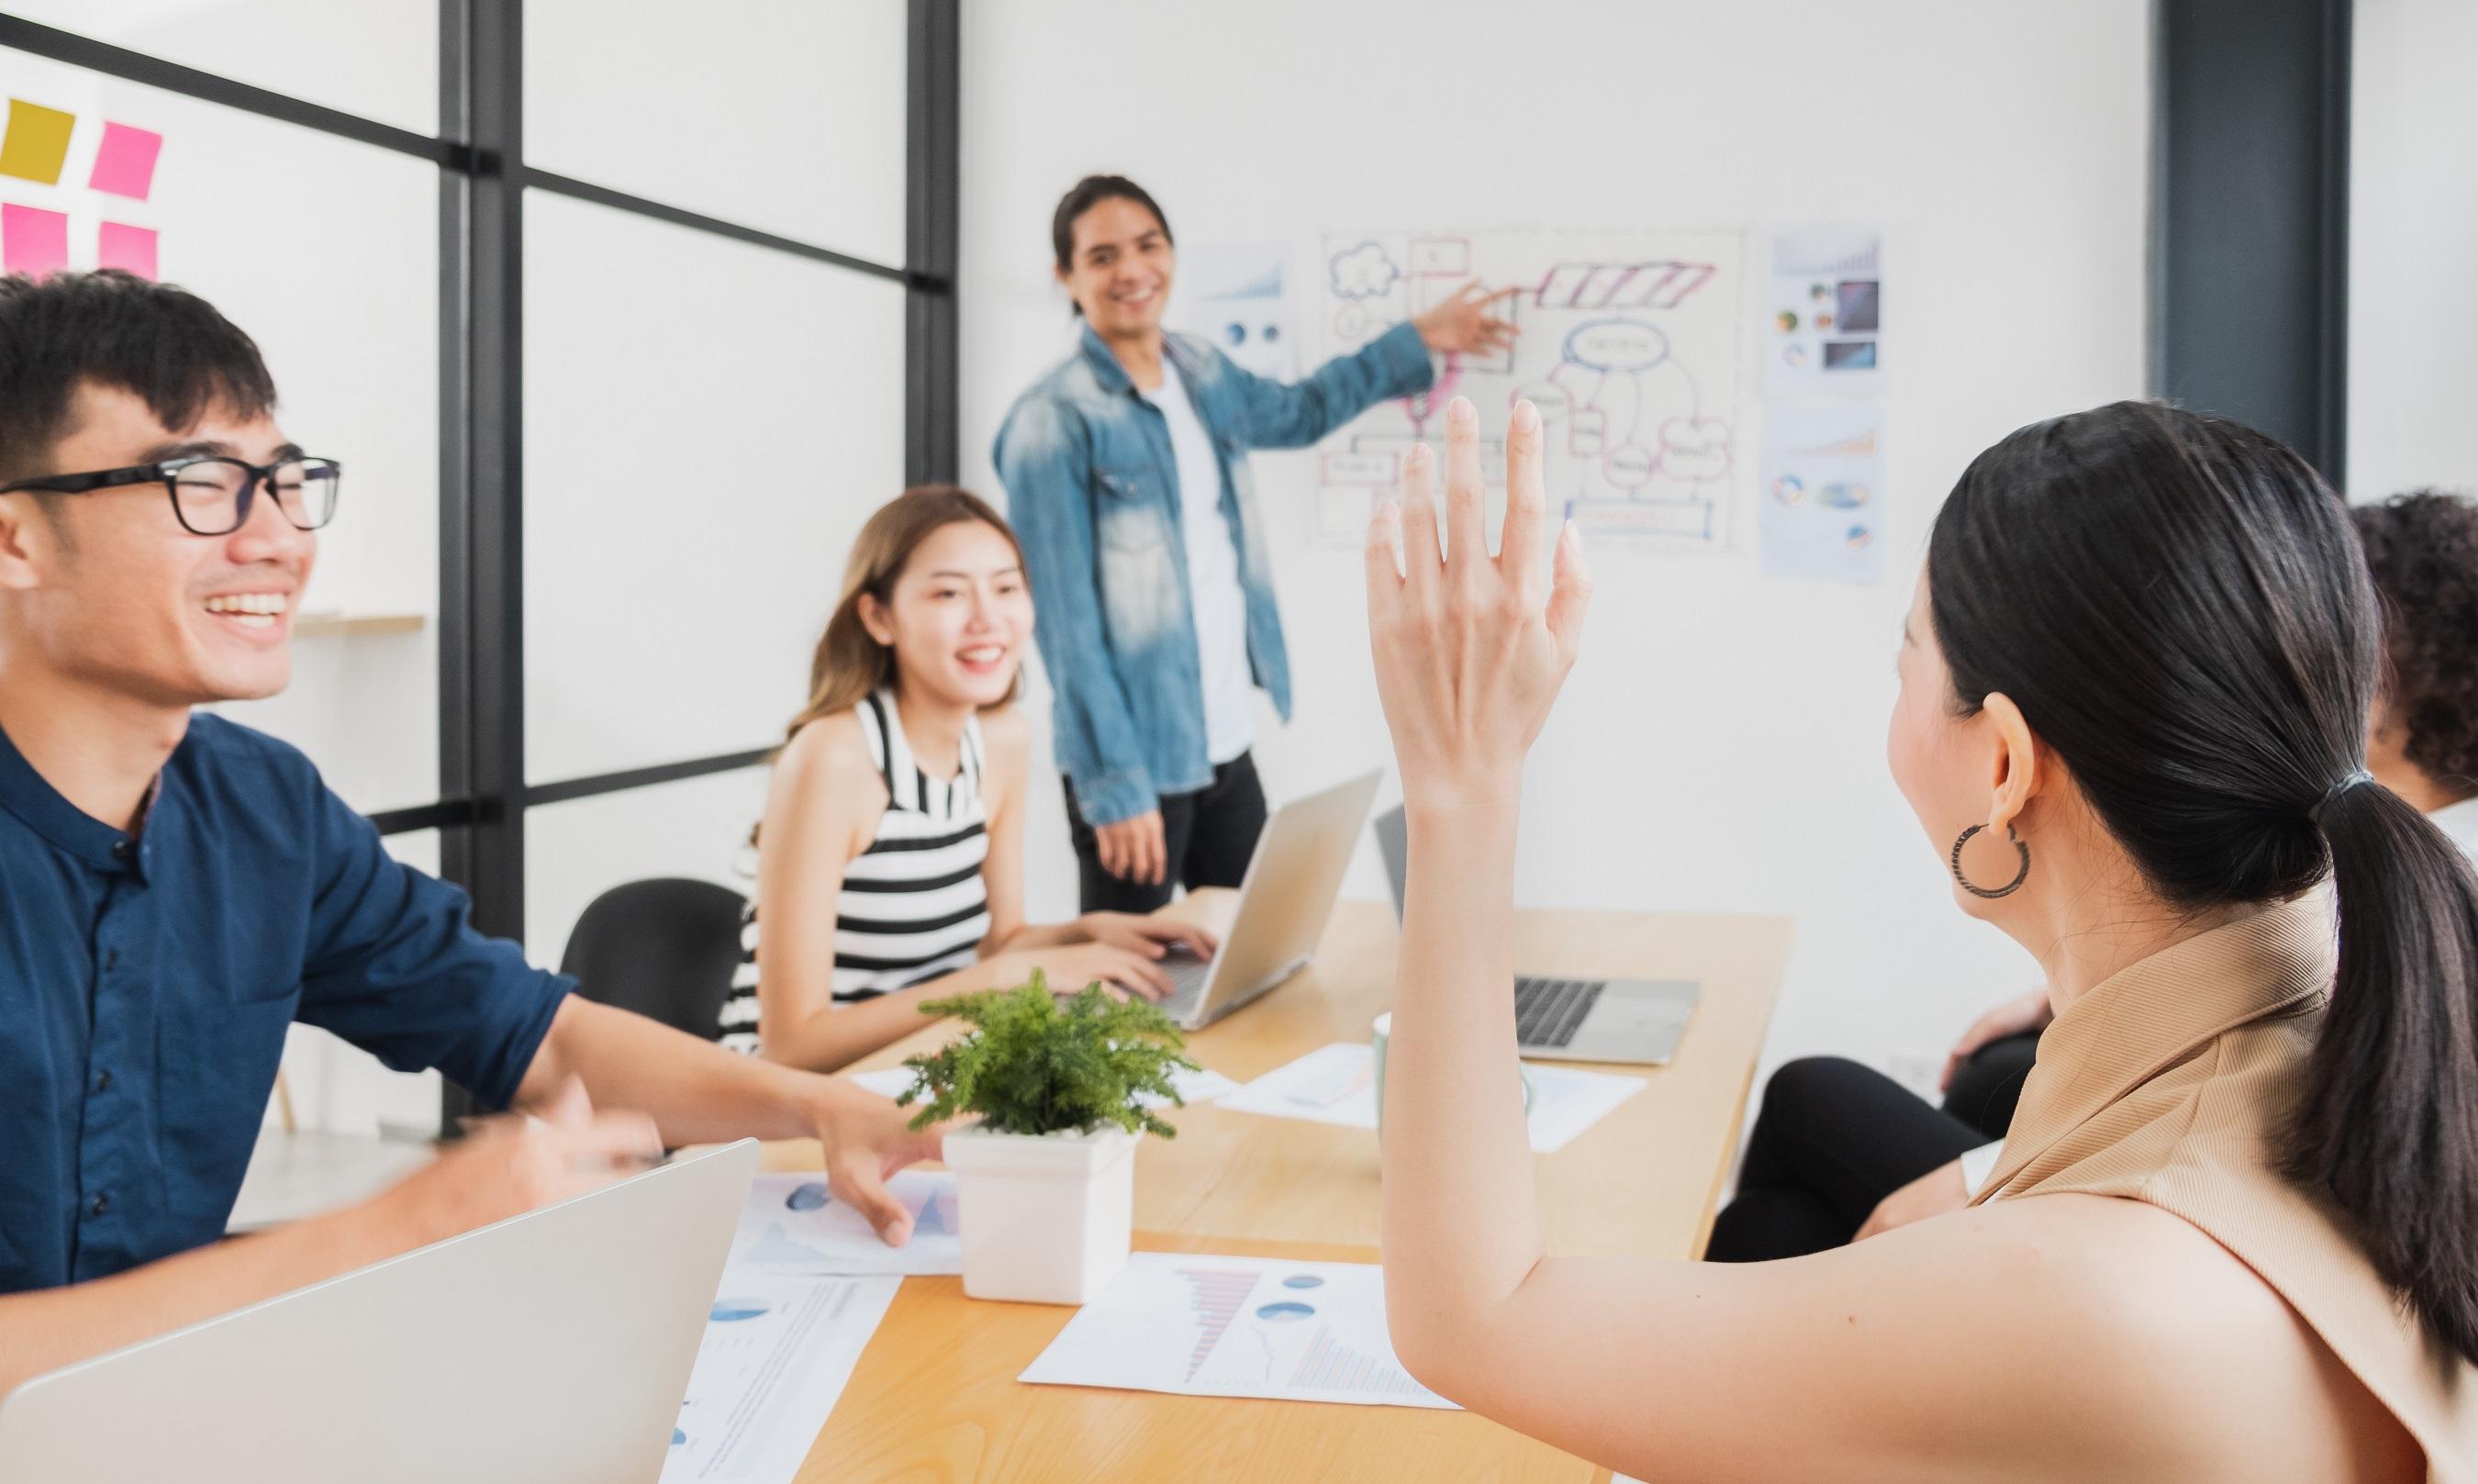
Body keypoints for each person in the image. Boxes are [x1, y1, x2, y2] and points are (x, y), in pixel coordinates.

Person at [1367, 396, 2473, 1478]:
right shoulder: (2378, 988)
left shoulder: (2107, 1299)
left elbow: (1476, 1320)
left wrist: (1464, 782)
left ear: (2002, 763)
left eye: (1909, 666)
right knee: (1783, 1213)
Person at [0, 271, 941, 1399]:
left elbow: (538, 1038)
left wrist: (821, 1106)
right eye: (203, 482)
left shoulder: (263, 810)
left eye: (287, 483)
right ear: (17, 537)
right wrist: (403, 1228)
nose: (278, 539)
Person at [1708, 485, 2478, 1263]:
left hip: (2181, 1222)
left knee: (1809, 1104)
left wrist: (1981, 1185)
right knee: (1919, 1126)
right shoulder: (2350, 841)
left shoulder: (2378, 882)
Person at [994, 174, 1516, 912]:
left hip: (1222, 740)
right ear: (1067, 277)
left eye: (1148, 245)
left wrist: (1418, 341)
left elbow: (1299, 412)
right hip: (1138, 763)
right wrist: (1114, 786)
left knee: (1256, 956)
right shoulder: (1051, 420)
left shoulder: (1199, 369)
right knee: (1127, 999)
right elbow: (1067, 628)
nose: (1133, 270)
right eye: (1103, 256)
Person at [720, 485, 1215, 1069]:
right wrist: (999, 978)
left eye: (1007, 588)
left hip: (934, 1062)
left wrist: (1086, 932)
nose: (988, 620)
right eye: (950, 593)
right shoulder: (834, 756)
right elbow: (792, 1047)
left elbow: (998, 943)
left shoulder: (1001, 738)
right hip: (803, 1102)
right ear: (879, 617)